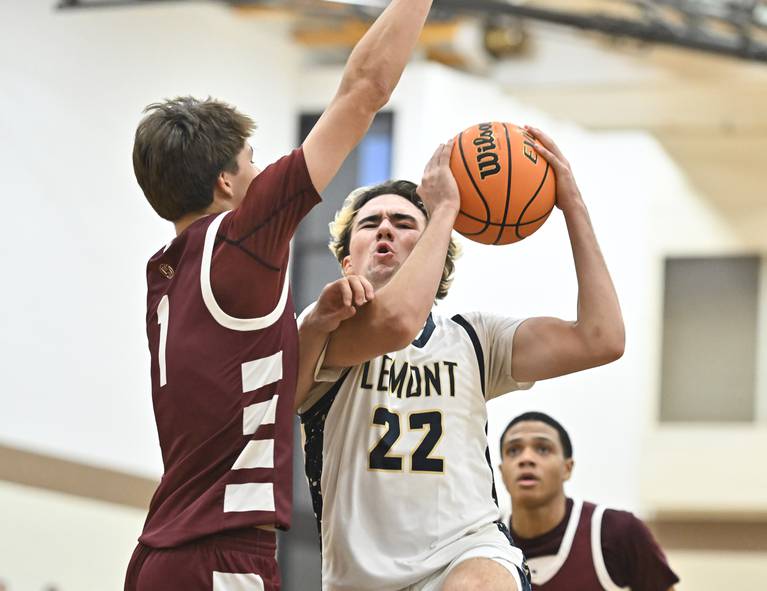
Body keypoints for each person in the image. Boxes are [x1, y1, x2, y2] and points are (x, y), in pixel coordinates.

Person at [124, 1, 437, 589]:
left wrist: (314, 323)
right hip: (220, 556)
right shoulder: (239, 238)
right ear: (225, 182)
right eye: (251, 162)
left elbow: (240, 381)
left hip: (163, 556)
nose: (261, 171)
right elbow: (363, 88)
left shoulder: (165, 275)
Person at [296, 128, 626, 591]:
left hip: (467, 552)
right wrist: (443, 210)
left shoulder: (475, 338)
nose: (386, 228)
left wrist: (573, 205)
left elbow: (601, 338)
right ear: (347, 262)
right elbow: (395, 325)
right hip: (360, 577)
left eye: (406, 223)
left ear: (438, 258)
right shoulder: (320, 326)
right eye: (369, 224)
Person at [498, 411, 680, 590]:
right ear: (501, 472)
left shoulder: (618, 531)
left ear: (567, 468)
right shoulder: (486, 540)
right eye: (513, 450)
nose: (526, 458)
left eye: (543, 449)